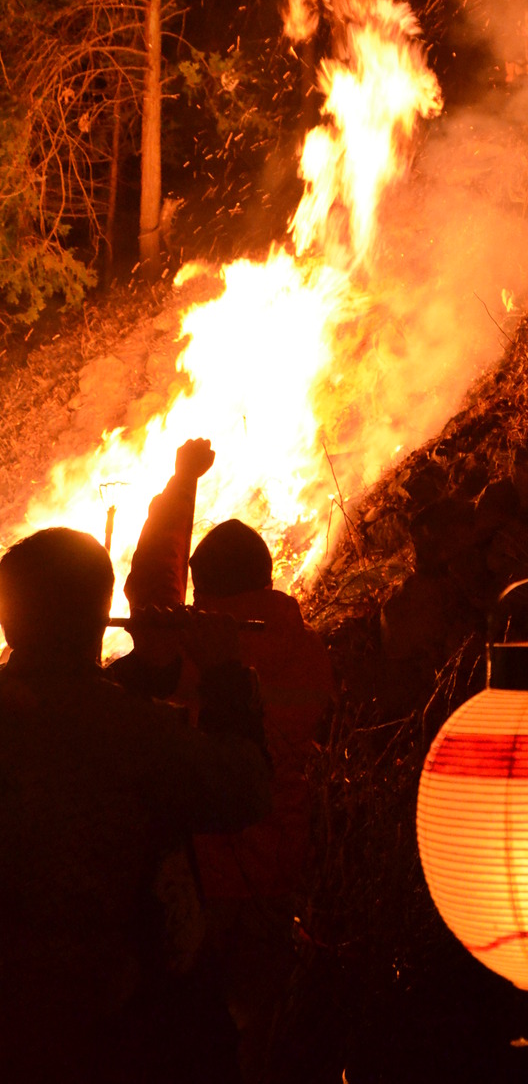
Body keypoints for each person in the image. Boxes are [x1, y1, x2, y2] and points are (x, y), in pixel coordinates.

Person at [0, 525, 270, 1084]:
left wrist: (142, 669)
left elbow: (69, 701)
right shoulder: (131, 732)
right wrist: (222, 675)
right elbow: (242, 789)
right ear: (100, 616)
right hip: (123, 1021)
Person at [111, 441, 335, 1076]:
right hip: (276, 873)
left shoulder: (185, 645)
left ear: (199, 588)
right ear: (266, 581)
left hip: (199, 879)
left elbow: (153, 577)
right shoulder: (310, 652)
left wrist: (183, 483)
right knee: (256, 1032)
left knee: (186, 1031)